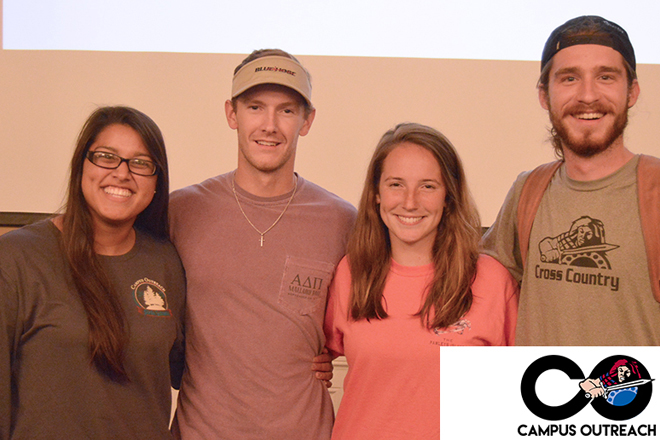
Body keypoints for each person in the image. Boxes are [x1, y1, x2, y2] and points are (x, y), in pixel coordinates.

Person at [169, 49, 357, 439]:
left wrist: (332, 352)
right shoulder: (181, 211)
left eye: (286, 110)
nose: (269, 125)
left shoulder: (342, 220)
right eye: (255, 107)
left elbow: (369, 323)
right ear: (231, 114)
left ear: (307, 121)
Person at [0, 106, 185, 439]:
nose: (122, 173)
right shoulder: (16, 258)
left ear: (157, 182)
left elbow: (197, 370)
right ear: (81, 166)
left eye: (141, 163)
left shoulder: (166, 262)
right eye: (106, 157)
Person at [324, 123, 518, 439]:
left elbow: (522, 393)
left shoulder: (492, 280)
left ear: (449, 197)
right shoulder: (351, 273)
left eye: (428, 186)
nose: (410, 202)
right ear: (376, 194)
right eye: (396, 184)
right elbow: (308, 356)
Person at [481, 15, 660, 346]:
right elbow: (480, 299)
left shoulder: (656, 193)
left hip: (629, 396)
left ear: (631, 92)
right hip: (542, 395)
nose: (587, 95)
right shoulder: (528, 192)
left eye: (605, 77)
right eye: (569, 79)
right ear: (544, 95)